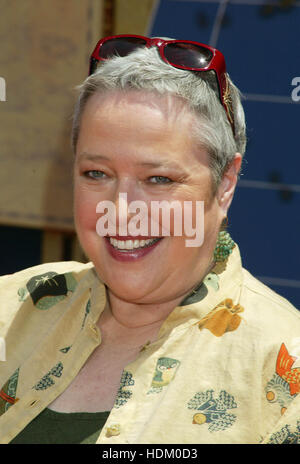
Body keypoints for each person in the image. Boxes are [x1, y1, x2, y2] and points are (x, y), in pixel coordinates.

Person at [0, 35, 299, 445]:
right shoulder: (12, 307)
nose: (122, 210)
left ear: (225, 183)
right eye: (96, 174)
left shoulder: (283, 368)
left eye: (158, 179)